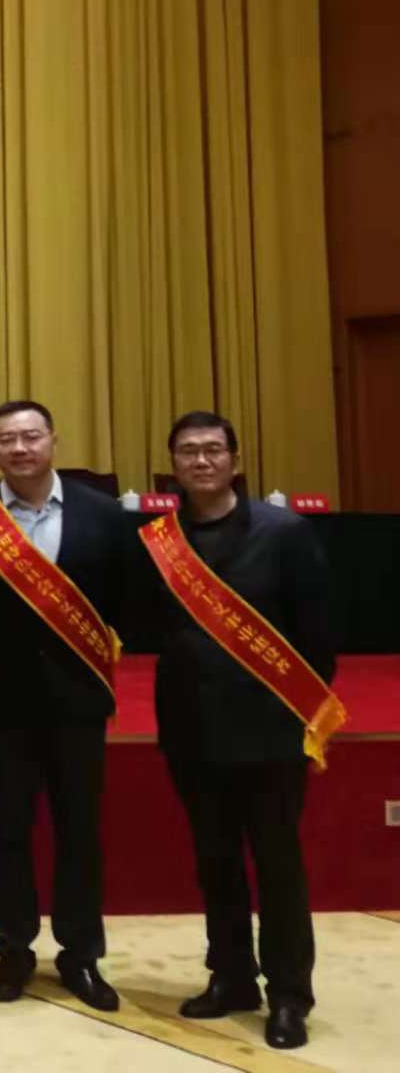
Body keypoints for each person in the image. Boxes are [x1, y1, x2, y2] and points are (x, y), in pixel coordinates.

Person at [144, 411, 338, 1050]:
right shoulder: (160, 540)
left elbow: (316, 640)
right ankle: (230, 977)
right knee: (216, 862)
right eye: (188, 452)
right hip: (191, 731)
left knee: (278, 866)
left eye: (212, 450)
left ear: (235, 458)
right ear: (173, 464)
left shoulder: (284, 533)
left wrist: (296, 714)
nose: (201, 461)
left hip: (268, 734)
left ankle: (289, 995)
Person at [0, 400, 132, 1011]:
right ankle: (14, 950)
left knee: (81, 833)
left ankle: (81, 955)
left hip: (79, 705)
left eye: (31, 436)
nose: (20, 448)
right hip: (5, 707)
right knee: (8, 833)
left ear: (53, 439)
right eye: (8, 439)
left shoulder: (103, 516)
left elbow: (124, 604)